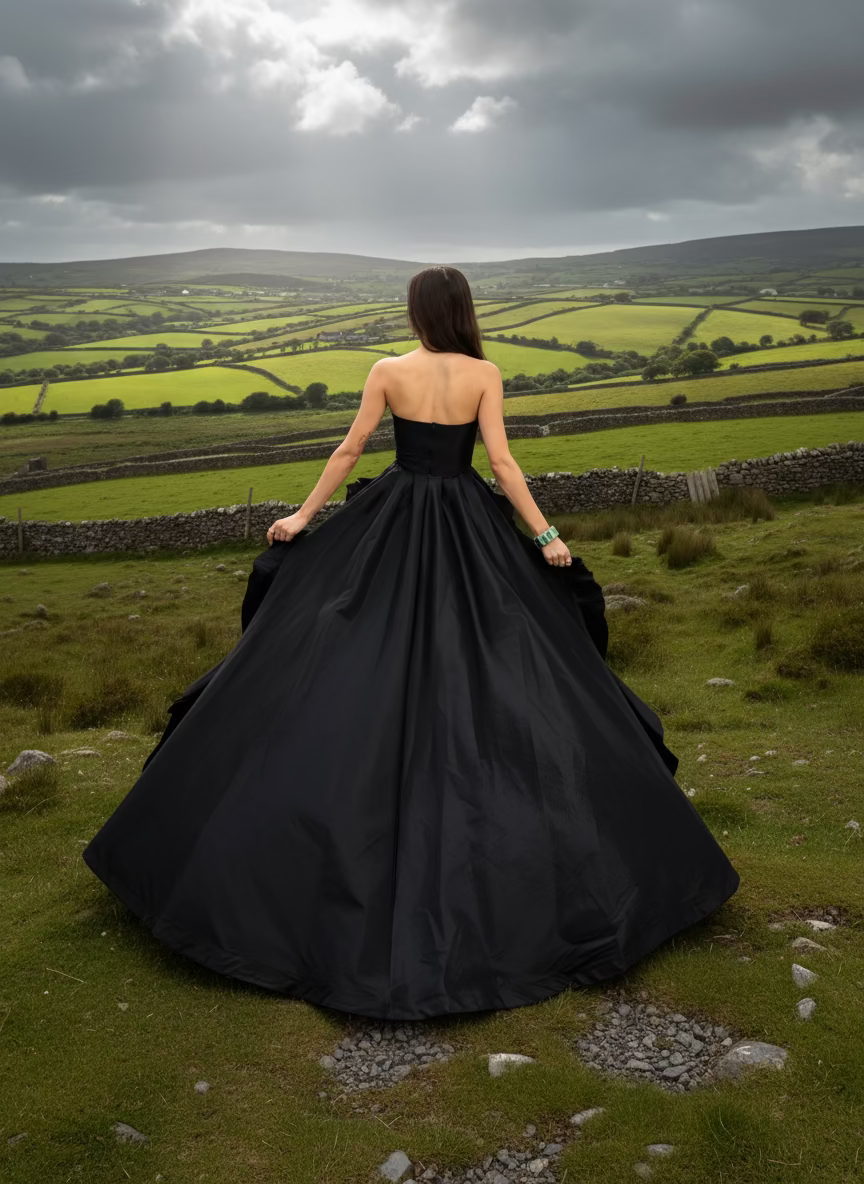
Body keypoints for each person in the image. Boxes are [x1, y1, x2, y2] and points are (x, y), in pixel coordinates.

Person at [83, 265, 739, 1021]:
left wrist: (301, 518)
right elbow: (500, 463)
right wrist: (549, 536)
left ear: (416, 311)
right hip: (468, 523)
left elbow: (350, 450)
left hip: (393, 519)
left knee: (343, 644)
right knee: (501, 652)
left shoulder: (387, 370)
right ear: (462, 311)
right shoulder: (485, 372)